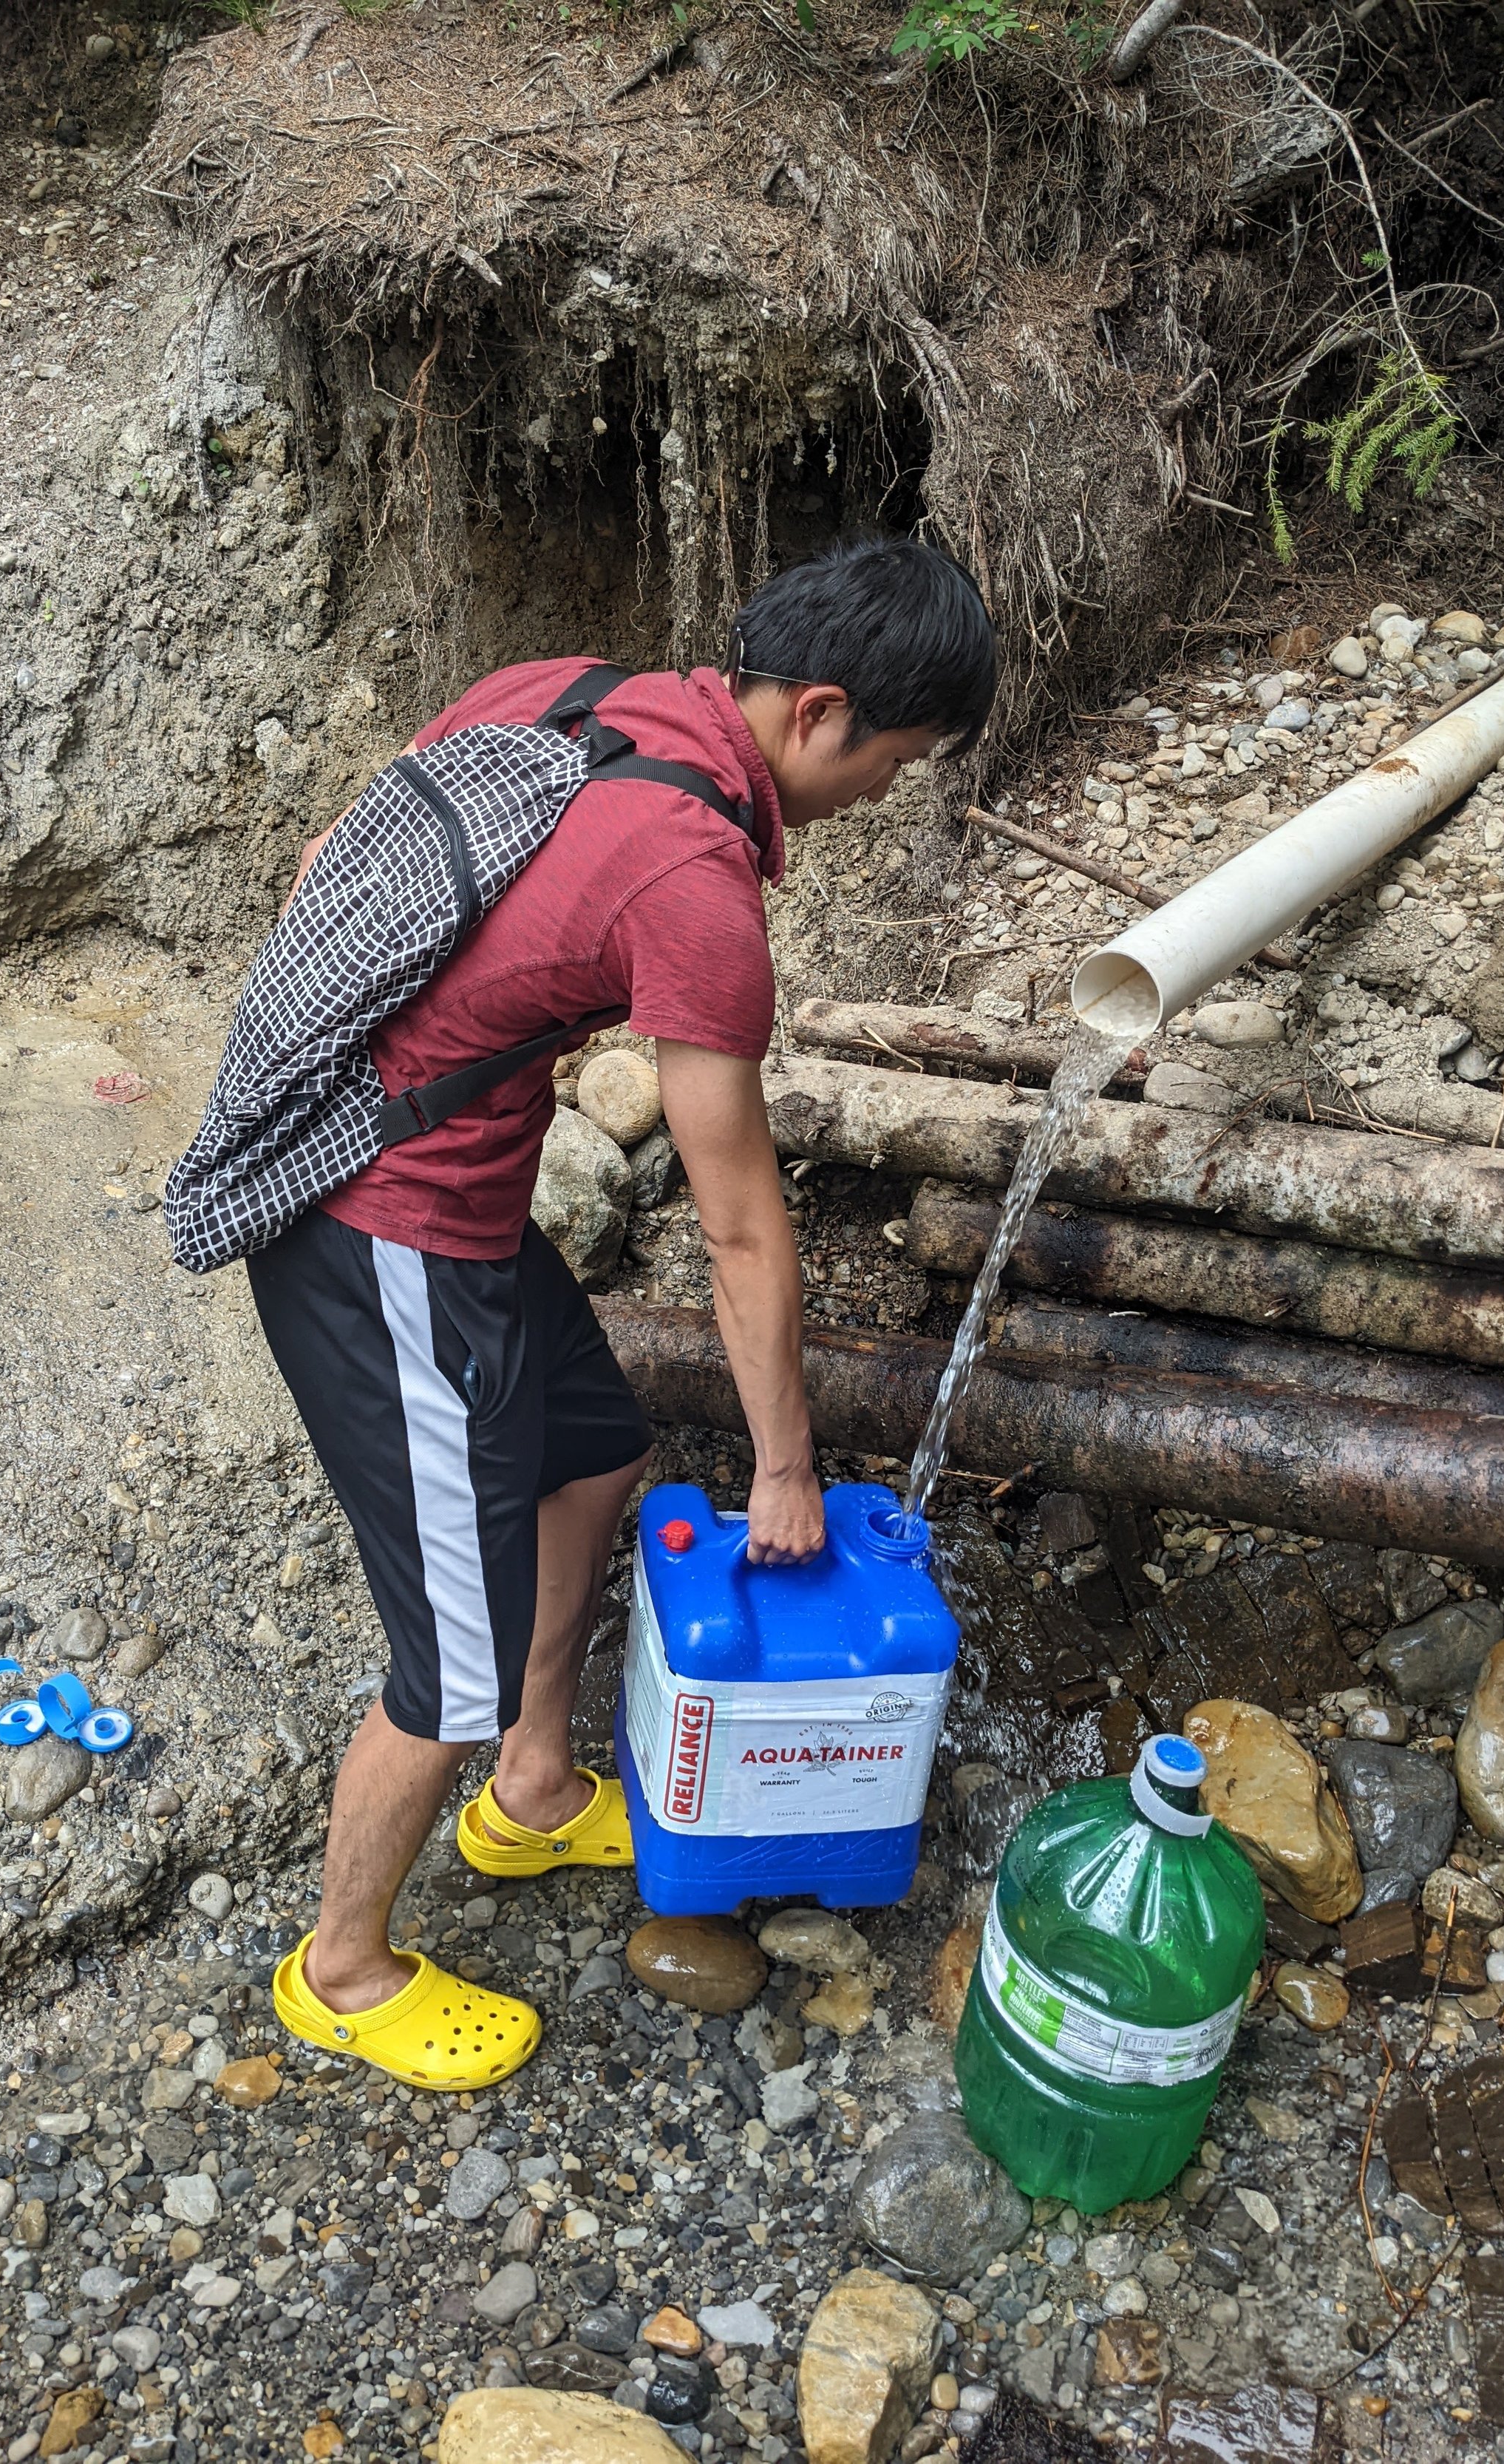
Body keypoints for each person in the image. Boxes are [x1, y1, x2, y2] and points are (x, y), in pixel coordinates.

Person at [253, 536, 997, 2091]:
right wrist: (785, 1469)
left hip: (442, 1202)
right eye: (897, 761)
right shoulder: (695, 883)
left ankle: (531, 1785)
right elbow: (739, 1223)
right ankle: (343, 1968)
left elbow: (336, 857)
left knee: (595, 1449)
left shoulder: (573, 693)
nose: (882, 793)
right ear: (820, 711)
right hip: (377, 1233)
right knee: (447, 1656)